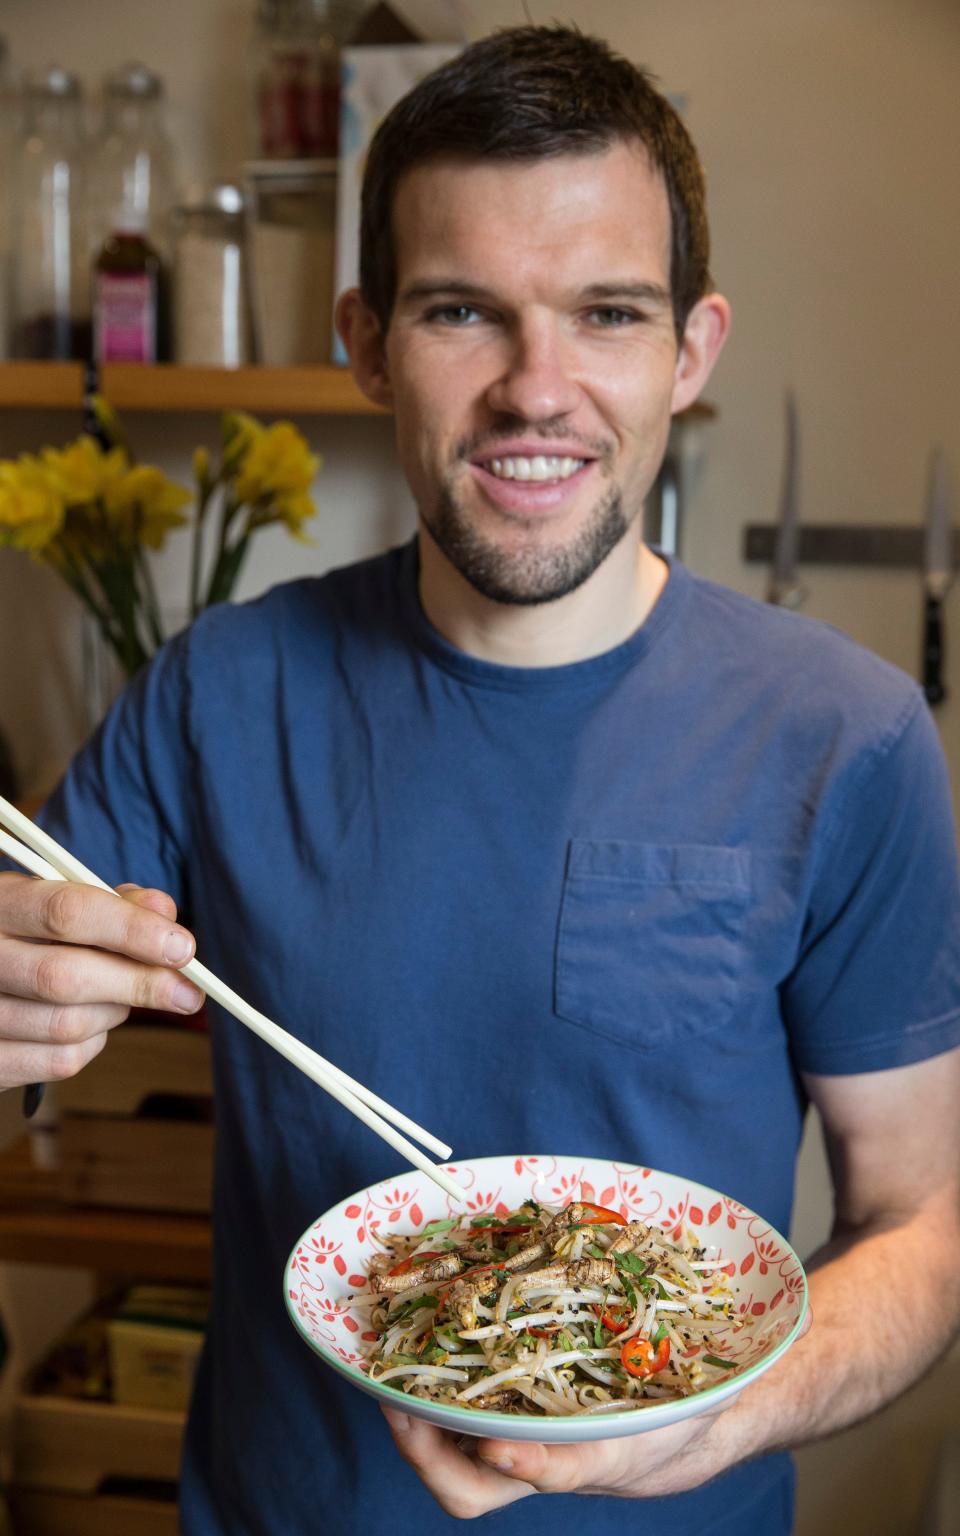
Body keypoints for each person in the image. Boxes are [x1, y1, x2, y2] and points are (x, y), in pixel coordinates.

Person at [1, 24, 959, 1534]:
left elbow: (923, 1223)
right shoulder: (220, 692)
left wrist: (717, 1421)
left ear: (692, 351)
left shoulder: (851, 736)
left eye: (608, 313)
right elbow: (21, 1067)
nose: (538, 388)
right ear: (369, 340)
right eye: (464, 311)